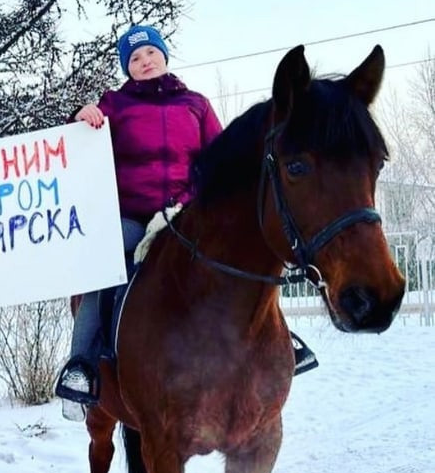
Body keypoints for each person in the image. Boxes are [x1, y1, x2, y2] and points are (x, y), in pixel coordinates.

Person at [54, 24, 316, 405]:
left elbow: (221, 154)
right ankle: (82, 367)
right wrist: (81, 117)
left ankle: (278, 341)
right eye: (135, 58)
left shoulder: (194, 104)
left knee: (247, 254)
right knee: (103, 268)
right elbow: (77, 146)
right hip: (133, 214)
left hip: (187, 212)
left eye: (150, 54)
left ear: (164, 56)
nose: (144, 62)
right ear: (127, 68)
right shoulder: (115, 104)